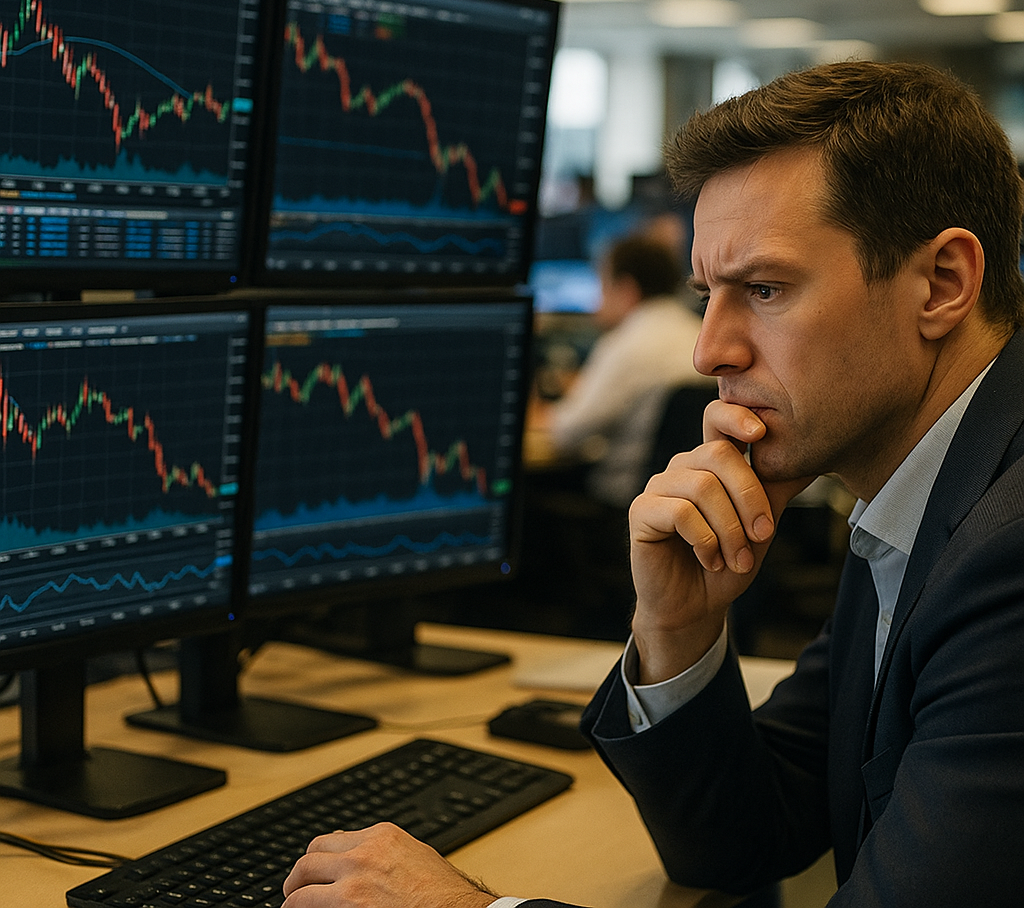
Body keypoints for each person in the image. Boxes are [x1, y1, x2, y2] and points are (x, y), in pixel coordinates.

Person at [280, 59, 1024, 907]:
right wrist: (677, 626)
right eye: (708, 295)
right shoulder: (920, 492)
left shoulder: (1005, 548)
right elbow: (744, 839)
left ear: (943, 284)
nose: (711, 352)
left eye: (766, 289)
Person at [542, 231, 708, 509]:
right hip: (691, 498)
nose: (597, 301)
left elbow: (566, 432)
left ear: (627, 290)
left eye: (602, 286)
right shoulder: (698, 333)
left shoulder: (628, 341)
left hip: (625, 503)